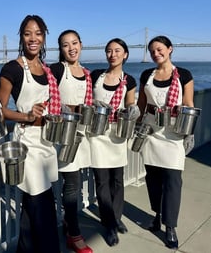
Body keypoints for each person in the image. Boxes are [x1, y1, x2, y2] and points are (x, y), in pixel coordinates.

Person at [0, 15, 60, 253]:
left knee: (32, 206)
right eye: (27, 33)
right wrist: (26, 116)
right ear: (21, 37)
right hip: (27, 142)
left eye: (38, 33)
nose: (33, 38)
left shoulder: (47, 69)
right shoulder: (12, 68)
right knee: (42, 204)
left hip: (46, 139)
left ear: (44, 37)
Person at [137, 35, 194, 249]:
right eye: (152, 51)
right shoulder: (146, 75)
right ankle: (157, 214)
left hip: (174, 132)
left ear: (169, 49)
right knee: (153, 178)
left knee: (173, 179)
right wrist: (135, 126)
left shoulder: (184, 75)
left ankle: (170, 226)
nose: (155, 54)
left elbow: (188, 104)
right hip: (152, 130)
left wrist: (189, 133)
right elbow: (142, 106)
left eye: (159, 49)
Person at [89, 38, 137, 246]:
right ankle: (108, 224)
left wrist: (133, 109)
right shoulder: (95, 75)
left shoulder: (130, 80)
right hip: (98, 134)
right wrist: (92, 102)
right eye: (109, 51)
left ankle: (116, 218)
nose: (112, 54)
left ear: (125, 54)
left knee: (117, 179)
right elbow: (85, 97)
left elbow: (130, 102)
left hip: (117, 133)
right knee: (101, 180)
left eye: (117, 50)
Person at [49, 30, 93, 253]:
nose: (71, 48)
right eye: (65, 45)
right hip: (63, 133)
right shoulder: (57, 70)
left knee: (73, 183)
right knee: (72, 183)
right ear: (61, 49)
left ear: (81, 44)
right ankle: (74, 234)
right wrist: (61, 108)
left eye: (74, 43)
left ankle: (67, 222)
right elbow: (44, 94)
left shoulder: (87, 73)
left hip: (81, 134)